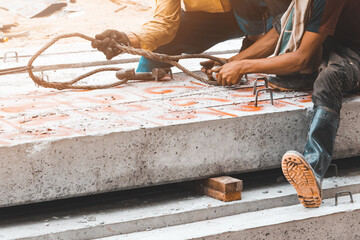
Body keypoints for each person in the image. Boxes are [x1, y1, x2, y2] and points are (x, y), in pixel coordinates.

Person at [209, 0, 360, 208]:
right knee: (287, 64)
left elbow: (302, 58)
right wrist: (230, 62)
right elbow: (275, 35)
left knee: (329, 79)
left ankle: (313, 170)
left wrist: (244, 66)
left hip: (355, 54)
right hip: (334, 45)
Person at [91, 0, 291, 73]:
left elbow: (287, 22)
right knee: (163, 45)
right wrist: (127, 38)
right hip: (220, 19)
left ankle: (254, 44)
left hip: (271, 16)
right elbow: (165, 24)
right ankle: (145, 76)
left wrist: (235, 62)